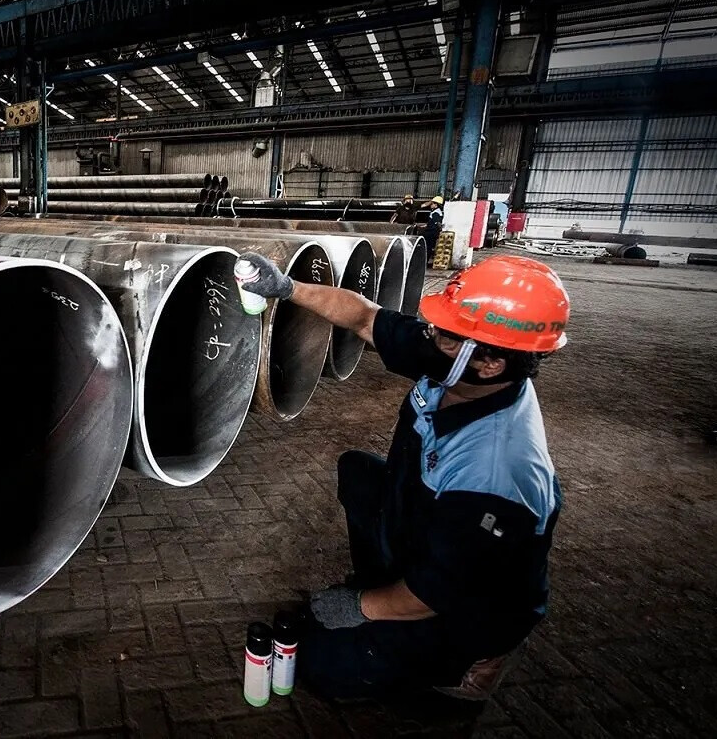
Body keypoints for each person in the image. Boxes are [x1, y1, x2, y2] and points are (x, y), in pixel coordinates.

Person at [235, 252, 570, 701]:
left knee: (320, 664)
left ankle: (465, 671)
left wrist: (357, 607)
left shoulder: (495, 475)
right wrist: (287, 288)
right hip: (435, 529)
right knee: (360, 473)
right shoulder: (458, 361)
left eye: (445, 337)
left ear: (490, 363)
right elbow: (364, 318)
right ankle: (385, 589)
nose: (430, 339)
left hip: (463, 604)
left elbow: (435, 592)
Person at [422, 195, 446, 263]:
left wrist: (439, 230)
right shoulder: (435, 212)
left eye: (432, 203)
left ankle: (425, 261)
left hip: (431, 232)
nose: (431, 205)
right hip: (431, 231)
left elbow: (437, 223)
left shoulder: (436, 213)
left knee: (428, 247)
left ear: (436, 205)